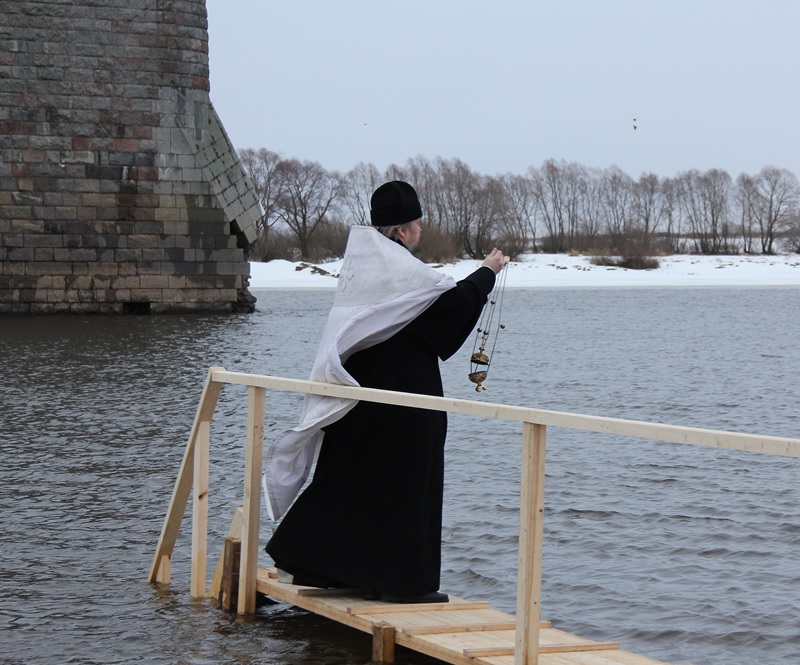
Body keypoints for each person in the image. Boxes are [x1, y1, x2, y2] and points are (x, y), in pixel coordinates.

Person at [263, 181, 505, 603]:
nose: (421, 231)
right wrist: (486, 272)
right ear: (400, 231)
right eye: (416, 224)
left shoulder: (365, 266)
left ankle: (318, 564)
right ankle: (401, 585)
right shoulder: (402, 272)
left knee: (353, 480)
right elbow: (447, 313)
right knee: (404, 486)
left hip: (360, 398)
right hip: (402, 405)